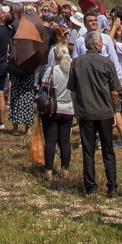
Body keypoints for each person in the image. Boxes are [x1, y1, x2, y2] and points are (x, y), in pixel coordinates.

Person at [69, 31, 118, 196]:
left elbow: (73, 90)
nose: (103, 45)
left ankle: (90, 186)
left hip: (85, 112)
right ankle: (112, 186)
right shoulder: (107, 63)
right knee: (108, 150)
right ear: (97, 44)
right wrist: (116, 109)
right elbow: (114, 91)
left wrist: (76, 108)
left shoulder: (76, 62)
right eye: (101, 43)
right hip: (104, 112)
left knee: (88, 150)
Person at [39, 40, 76, 177]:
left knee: (50, 140)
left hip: (53, 109)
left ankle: (48, 169)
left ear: (55, 56)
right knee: (65, 140)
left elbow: (43, 89)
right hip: (68, 109)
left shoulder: (51, 70)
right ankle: (65, 169)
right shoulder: (72, 70)